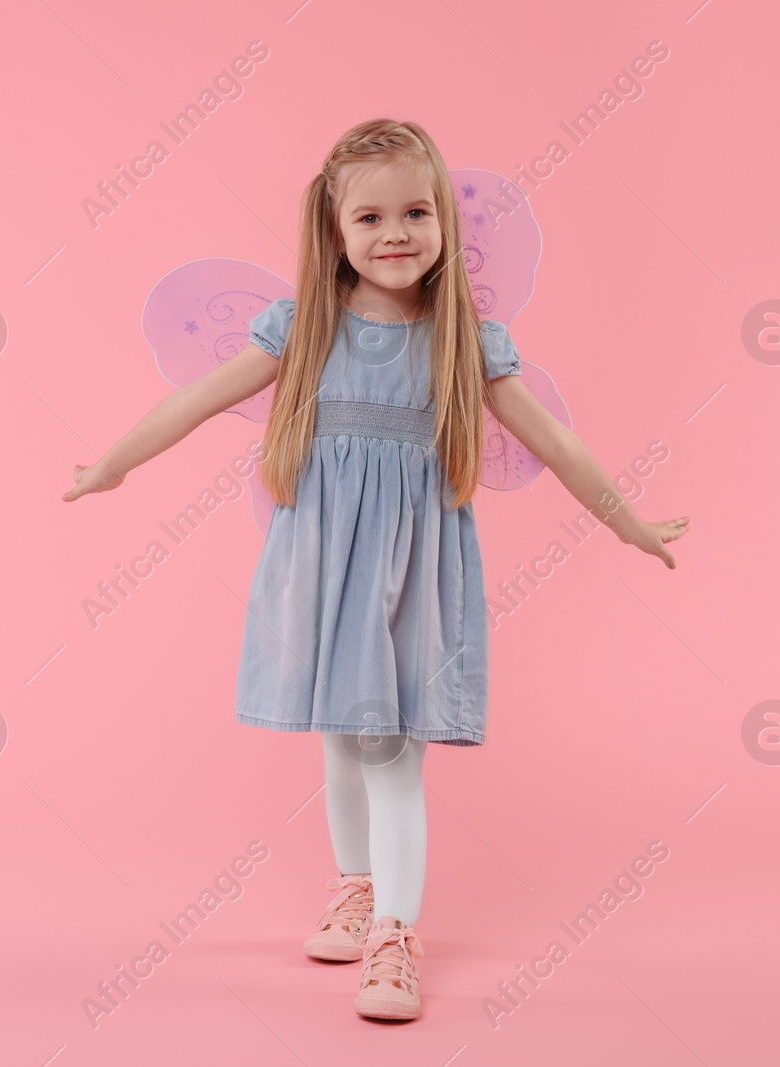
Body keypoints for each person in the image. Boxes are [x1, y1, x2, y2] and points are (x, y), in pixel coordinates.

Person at [62, 118, 689, 1021]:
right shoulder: (305, 330)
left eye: (416, 212)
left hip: (410, 574)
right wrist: (116, 461)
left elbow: (555, 440)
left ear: (443, 224)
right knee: (340, 740)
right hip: (321, 562)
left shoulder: (464, 339)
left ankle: (396, 934)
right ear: (335, 231)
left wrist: (625, 519)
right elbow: (198, 399)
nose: (396, 233)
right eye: (371, 218)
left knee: (392, 750)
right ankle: (356, 891)